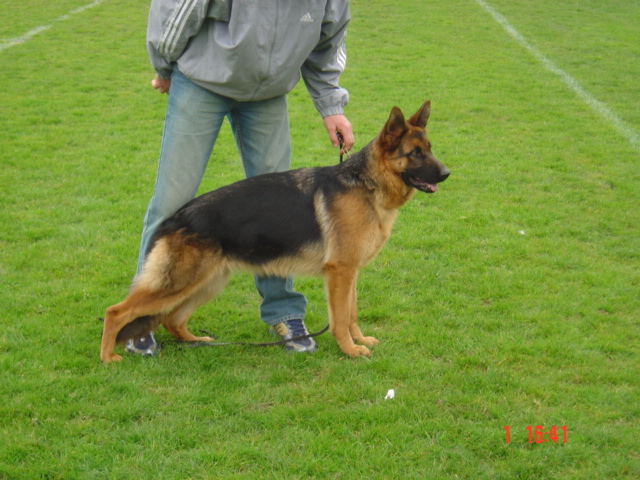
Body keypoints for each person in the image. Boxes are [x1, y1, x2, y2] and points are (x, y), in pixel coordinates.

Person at [126, 0, 355, 356]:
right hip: (202, 81)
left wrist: (331, 106)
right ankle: (141, 317)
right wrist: (164, 64)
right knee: (172, 201)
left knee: (278, 212)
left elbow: (328, 42)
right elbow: (179, 8)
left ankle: (284, 312)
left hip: (268, 95)